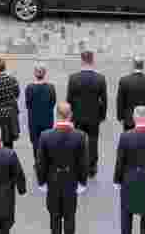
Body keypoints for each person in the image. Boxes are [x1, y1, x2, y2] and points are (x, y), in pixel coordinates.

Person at [36, 102, 88, 234]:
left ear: (56, 115)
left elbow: (41, 162)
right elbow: (83, 162)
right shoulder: (80, 136)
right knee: (70, 217)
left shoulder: (45, 136)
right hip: (71, 180)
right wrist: (82, 182)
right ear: (70, 115)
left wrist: (41, 182)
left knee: (54, 217)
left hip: (52, 180)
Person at [113, 105, 145, 234]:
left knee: (126, 215)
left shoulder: (125, 136)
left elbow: (120, 161)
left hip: (129, 179)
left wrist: (117, 180)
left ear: (134, 118)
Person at [66, 51, 107, 177]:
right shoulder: (100, 78)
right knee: (93, 141)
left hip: (78, 115)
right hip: (94, 115)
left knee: (78, 140)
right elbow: (104, 100)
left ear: (82, 61)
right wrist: (102, 115)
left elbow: (69, 99)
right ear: (92, 60)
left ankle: (78, 165)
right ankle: (92, 167)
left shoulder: (73, 78)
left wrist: (70, 115)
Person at [25, 64, 57, 170]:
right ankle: (46, 161)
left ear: (35, 74)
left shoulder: (29, 88)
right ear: (45, 73)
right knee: (47, 141)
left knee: (35, 142)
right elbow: (53, 102)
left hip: (34, 119)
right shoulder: (51, 87)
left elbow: (28, 104)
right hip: (47, 118)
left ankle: (38, 161)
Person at [117, 58, 145, 132]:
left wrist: (120, 117)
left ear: (133, 65)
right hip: (144, 117)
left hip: (129, 118)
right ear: (142, 66)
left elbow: (120, 101)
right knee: (144, 141)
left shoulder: (124, 80)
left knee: (128, 141)